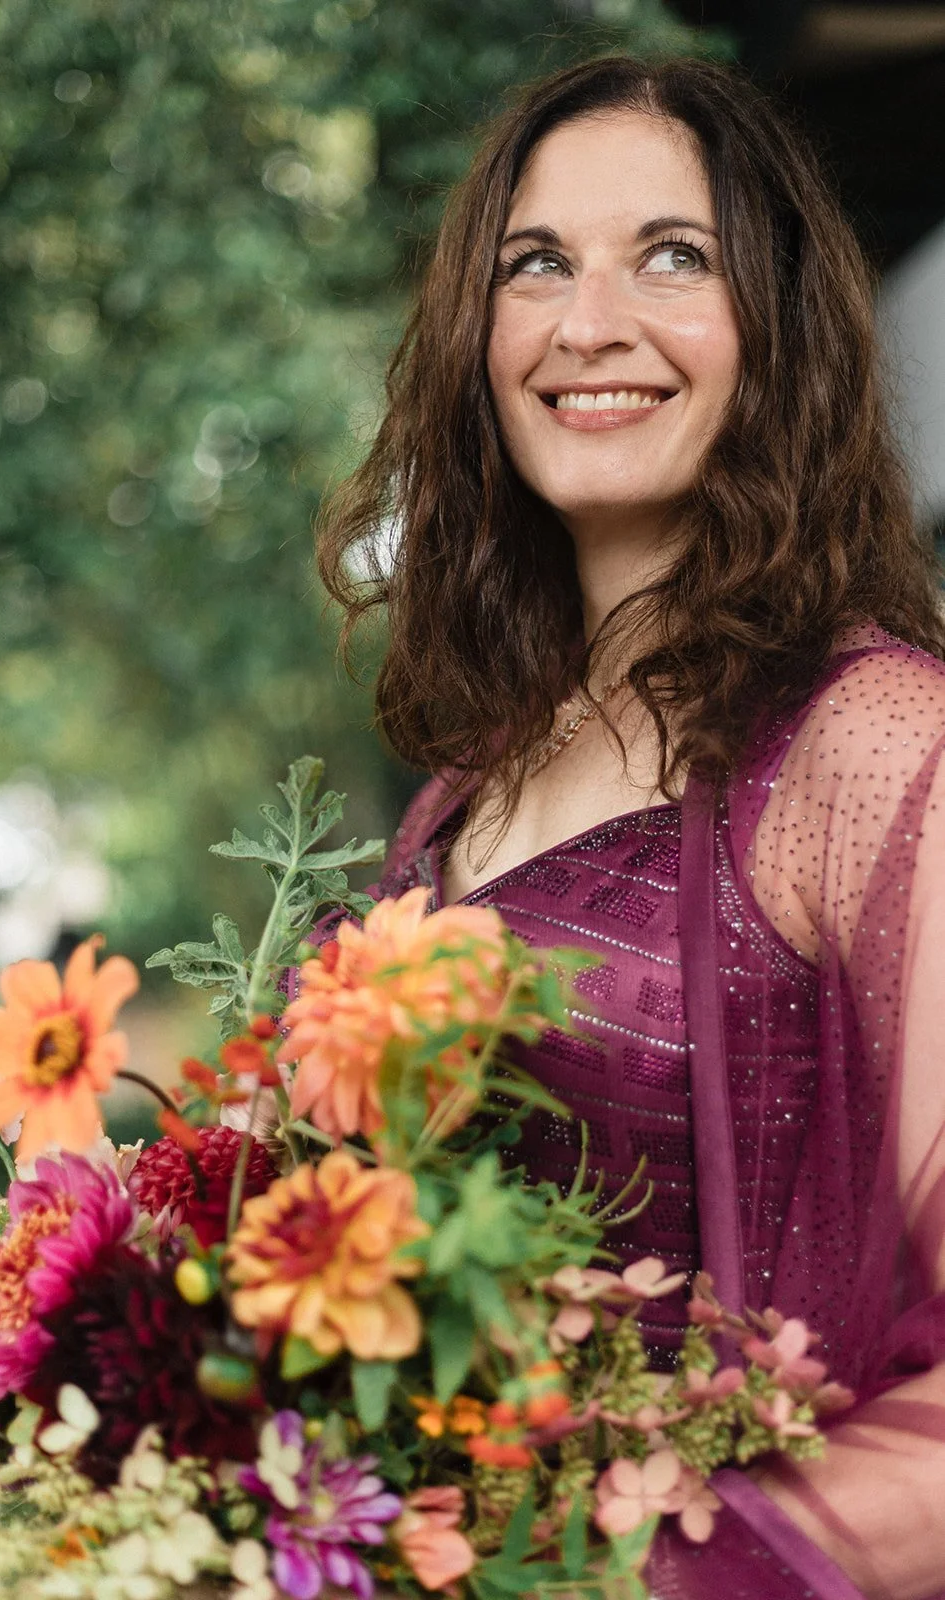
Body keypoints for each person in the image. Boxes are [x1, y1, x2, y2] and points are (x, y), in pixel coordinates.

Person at [314, 53, 945, 1600]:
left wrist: (616, 1576)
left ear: (776, 331)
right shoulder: (466, 783)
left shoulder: (872, 740)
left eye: (673, 257)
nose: (589, 323)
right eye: (536, 265)